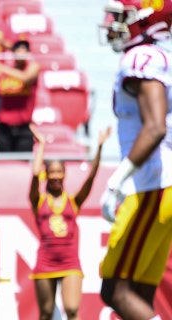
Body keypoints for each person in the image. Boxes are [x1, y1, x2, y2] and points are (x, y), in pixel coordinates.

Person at [98, 1, 172, 319]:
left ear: (142, 19)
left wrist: (117, 179)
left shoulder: (140, 57)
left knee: (114, 290)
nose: (110, 23)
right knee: (139, 292)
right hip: (160, 185)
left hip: (151, 186)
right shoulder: (155, 55)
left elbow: (154, 127)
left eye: (119, 16)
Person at [29, 125, 110, 320]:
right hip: (45, 262)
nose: (56, 176)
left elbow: (91, 177)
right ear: (46, 175)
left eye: (59, 172)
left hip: (70, 262)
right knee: (46, 313)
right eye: (52, 172)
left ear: (65, 174)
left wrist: (99, 147)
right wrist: (40, 146)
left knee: (73, 311)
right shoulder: (38, 200)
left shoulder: (73, 201)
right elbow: (33, 175)